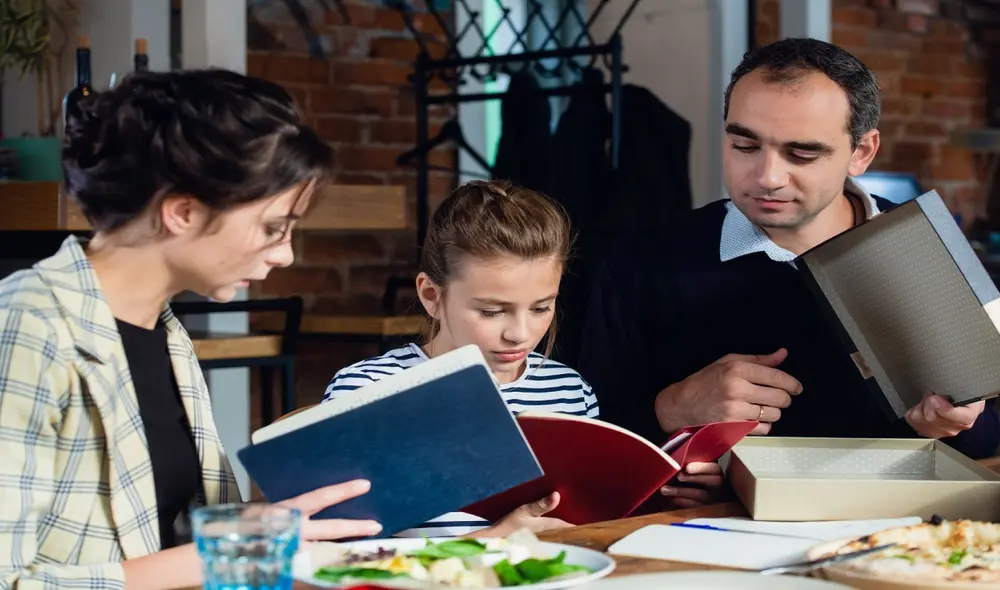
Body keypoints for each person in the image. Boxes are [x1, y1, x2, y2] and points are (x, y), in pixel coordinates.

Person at [0, 69, 382, 590]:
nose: (285, 253)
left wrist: (255, 525)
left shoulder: (165, 333)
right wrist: (213, 558)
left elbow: (158, 531)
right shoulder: (27, 326)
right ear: (183, 211)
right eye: (273, 228)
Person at [578, 38, 1000, 505]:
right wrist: (673, 407)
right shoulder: (641, 261)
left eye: (801, 155)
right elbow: (586, 449)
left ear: (862, 151)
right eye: (744, 145)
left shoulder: (932, 253)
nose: (767, 176)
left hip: (893, 534)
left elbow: (988, 439)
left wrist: (951, 425)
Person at [324, 180, 603, 538]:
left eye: (541, 307)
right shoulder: (367, 390)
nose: (519, 333)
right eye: (491, 311)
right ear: (431, 296)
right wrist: (493, 540)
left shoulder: (570, 391)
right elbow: (339, 553)